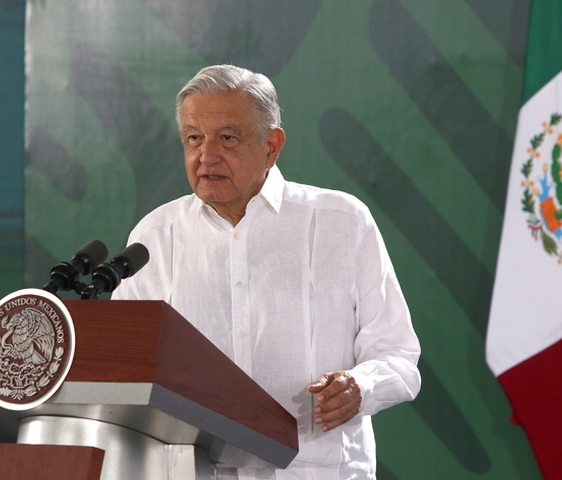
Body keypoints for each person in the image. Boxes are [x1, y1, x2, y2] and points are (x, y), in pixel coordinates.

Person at [112, 64, 421, 479]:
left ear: (272, 145)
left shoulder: (340, 222)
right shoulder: (155, 236)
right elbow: (125, 366)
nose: (206, 156)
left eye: (227, 138)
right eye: (193, 138)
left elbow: (398, 355)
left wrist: (360, 388)